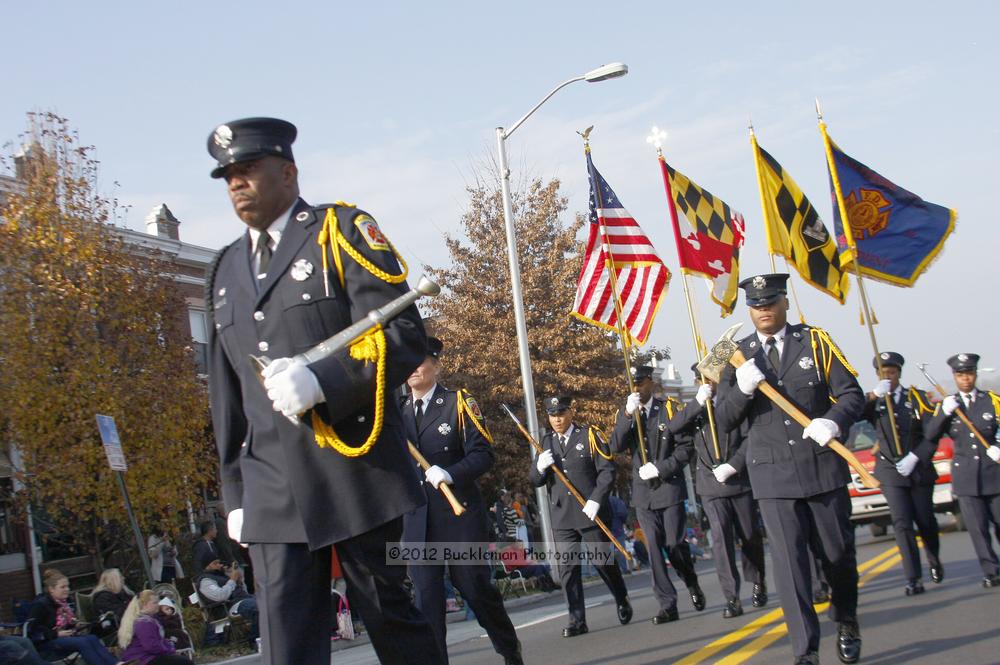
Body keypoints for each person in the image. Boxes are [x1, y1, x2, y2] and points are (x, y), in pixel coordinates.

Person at [204, 117, 441, 665]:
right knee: (287, 644)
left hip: (350, 471)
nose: (237, 183)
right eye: (228, 176)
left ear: (288, 171)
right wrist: (235, 492)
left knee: (391, 621)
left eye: (248, 170)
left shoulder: (340, 233)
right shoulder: (224, 271)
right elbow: (228, 399)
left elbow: (404, 334)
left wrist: (323, 380)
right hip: (270, 487)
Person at [715, 274, 864, 665]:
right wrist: (742, 390)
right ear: (749, 310)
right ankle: (806, 650)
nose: (763, 309)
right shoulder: (739, 355)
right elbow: (724, 420)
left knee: (838, 554)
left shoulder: (815, 341)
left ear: (784, 303)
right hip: (772, 476)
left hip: (821, 468)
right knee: (790, 566)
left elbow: (851, 394)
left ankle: (846, 619)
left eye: (770, 302)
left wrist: (832, 421)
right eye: (756, 304)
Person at [400, 336, 523, 665]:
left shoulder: (458, 403)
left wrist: (450, 473)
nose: (414, 367)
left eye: (421, 360)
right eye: (408, 360)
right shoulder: (396, 415)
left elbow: (484, 454)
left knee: (474, 590)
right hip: (417, 523)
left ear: (435, 365)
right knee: (426, 602)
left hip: (457, 519)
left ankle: (509, 649)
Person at [529, 394, 632, 637]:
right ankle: (577, 620)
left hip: (590, 512)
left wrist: (596, 499)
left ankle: (621, 597)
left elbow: (607, 471)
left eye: (561, 414)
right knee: (568, 570)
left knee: (603, 563)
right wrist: (539, 467)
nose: (557, 420)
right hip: (562, 515)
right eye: (553, 416)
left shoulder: (589, 436)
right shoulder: (545, 442)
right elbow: (534, 480)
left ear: (570, 413)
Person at [611, 366, 704, 625]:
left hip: (668, 487)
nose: (637, 388)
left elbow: (686, 449)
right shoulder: (626, 411)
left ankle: (691, 581)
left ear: (651, 383)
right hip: (643, 494)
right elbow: (615, 446)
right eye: (632, 384)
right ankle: (667, 603)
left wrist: (662, 468)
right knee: (653, 548)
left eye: (640, 382)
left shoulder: (670, 408)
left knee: (675, 545)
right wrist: (628, 415)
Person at [674, 366, 767, 619]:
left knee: (749, 535)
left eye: (710, 379)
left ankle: (757, 579)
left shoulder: (733, 404)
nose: (707, 384)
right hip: (710, 485)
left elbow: (749, 438)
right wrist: (696, 403)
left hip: (738, 481)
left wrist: (734, 465)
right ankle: (732, 596)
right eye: (701, 380)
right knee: (720, 541)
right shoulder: (696, 409)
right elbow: (674, 427)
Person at [860, 351, 943, 595]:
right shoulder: (873, 400)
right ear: (877, 375)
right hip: (889, 470)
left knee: (925, 520)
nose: (889, 376)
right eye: (884, 372)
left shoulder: (915, 397)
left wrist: (916, 457)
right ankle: (913, 578)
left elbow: (932, 433)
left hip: (917, 468)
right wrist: (874, 395)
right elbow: (853, 415)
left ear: (899, 373)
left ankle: (934, 560)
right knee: (902, 524)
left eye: (893, 372)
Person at [925, 353, 1000, 588]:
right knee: (978, 530)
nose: (965, 379)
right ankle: (991, 571)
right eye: (960, 375)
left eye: (968, 374)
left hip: (993, 474)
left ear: (975, 374)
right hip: (967, 477)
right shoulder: (950, 405)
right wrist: (944, 413)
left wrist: (998, 446)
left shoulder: (992, 401)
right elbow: (930, 435)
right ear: (954, 378)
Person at [27, 570, 121, 665]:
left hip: (64, 638)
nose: (67, 589)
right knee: (82, 642)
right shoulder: (41, 605)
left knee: (92, 638)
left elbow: (64, 624)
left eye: (68, 586)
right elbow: (33, 630)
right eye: (62, 587)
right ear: (51, 589)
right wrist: (56, 634)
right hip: (46, 642)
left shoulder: (64, 603)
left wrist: (75, 625)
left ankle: (115, 663)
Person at [118, 590, 193, 665]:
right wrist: (169, 650)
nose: (158, 605)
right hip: (142, 659)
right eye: (154, 603)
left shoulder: (147, 619)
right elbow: (151, 646)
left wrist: (170, 649)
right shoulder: (144, 622)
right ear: (144, 605)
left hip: (147, 657)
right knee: (185, 662)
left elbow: (158, 642)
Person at [196, 559, 259, 640]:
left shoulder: (221, 575)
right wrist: (232, 579)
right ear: (206, 567)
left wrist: (237, 580)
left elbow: (239, 590)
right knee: (257, 607)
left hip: (243, 600)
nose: (220, 565)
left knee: (269, 602)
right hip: (229, 606)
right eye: (215, 563)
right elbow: (220, 596)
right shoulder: (205, 581)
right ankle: (255, 639)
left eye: (219, 562)